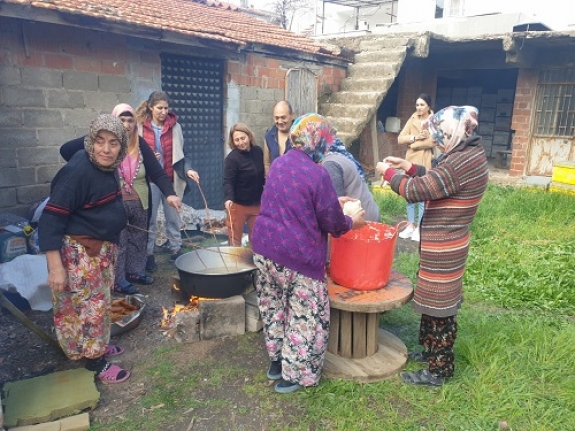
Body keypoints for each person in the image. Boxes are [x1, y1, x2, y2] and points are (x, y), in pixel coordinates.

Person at [251, 113, 366, 394]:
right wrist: (353, 221)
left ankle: (277, 361)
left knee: (274, 307)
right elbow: (334, 224)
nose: (328, 148)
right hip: (297, 258)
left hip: (264, 250)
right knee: (305, 315)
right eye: (327, 143)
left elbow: (295, 199)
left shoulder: (279, 164)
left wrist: (332, 200)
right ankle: (293, 376)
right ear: (319, 143)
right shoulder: (318, 174)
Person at [376, 106, 489, 386]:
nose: (437, 142)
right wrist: (409, 167)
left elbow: (418, 190)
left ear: (453, 133)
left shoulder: (462, 161)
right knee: (433, 305)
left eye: (439, 137)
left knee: (440, 310)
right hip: (444, 244)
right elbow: (438, 179)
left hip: (445, 247)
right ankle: (429, 353)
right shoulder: (466, 153)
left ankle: (438, 371)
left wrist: (389, 174)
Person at [39, 115, 132, 383]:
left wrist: (101, 134)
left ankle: (94, 347)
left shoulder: (107, 165)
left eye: (114, 143)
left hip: (99, 249)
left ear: (122, 147)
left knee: (95, 304)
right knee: (91, 307)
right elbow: (50, 219)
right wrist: (56, 268)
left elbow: (68, 148)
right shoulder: (78, 170)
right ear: (89, 141)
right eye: (99, 141)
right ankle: (95, 363)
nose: (105, 149)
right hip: (80, 253)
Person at [60, 104, 183, 294]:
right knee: (120, 242)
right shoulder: (105, 147)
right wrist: (98, 137)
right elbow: (66, 150)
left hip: (139, 201)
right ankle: (118, 280)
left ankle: (135, 272)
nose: (126, 125)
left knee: (139, 239)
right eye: (121, 120)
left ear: (135, 123)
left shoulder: (139, 143)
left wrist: (170, 194)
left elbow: (156, 172)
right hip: (114, 203)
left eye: (129, 120)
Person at [136, 91, 199, 270]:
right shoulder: (140, 127)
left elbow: (183, 155)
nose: (163, 112)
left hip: (171, 180)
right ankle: (148, 254)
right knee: (150, 219)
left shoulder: (175, 127)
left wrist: (189, 170)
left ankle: (175, 249)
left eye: (166, 108)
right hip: (150, 180)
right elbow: (133, 154)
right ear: (150, 107)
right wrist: (146, 157)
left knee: (173, 217)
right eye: (159, 108)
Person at [396, 93, 435, 241]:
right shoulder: (412, 119)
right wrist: (414, 137)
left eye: (422, 105)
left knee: (423, 194)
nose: (419, 108)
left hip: (425, 161)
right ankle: (410, 225)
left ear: (428, 106)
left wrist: (413, 145)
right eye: (417, 105)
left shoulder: (434, 120)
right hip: (411, 161)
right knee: (410, 193)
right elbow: (400, 138)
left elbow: (433, 142)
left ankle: (420, 227)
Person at [223, 123, 265, 247]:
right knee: (235, 239)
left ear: (249, 136)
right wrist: (228, 198)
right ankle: (234, 264)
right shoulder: (232, 159)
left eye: (243, 138)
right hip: (238, 205)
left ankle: (255, 263)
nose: (241, 142)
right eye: (237, 140)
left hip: (256, 204)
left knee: (256, 237)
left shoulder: (258, 151)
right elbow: (228, 181)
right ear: (233, 141)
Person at [322, 138, 380, 222]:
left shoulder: (330, 164)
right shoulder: (337, 154)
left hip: (361, 221)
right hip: (369, 213)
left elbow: (336, 208)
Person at [263, 100, 294, 176]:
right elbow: (267, 163)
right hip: (276, 184)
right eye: (277, 118)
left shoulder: (301, 135)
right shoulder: (269, 136)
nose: (280, 121)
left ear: (291, 115)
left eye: (283, 117)